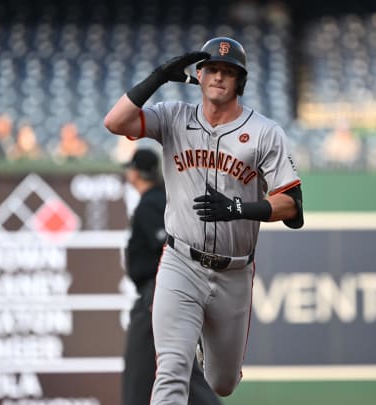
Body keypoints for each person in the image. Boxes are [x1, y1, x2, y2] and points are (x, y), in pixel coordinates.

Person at [104, 36, 304, 404]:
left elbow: (292, 205)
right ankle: (186, 342)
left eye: (229, 71)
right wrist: (158, 77)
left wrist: (239, 209)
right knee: (171, 371)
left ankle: (206, 348)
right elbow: (115, 122)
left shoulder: (264, 132)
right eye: (212, 68)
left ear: (239, 81)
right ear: (199, 74)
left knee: (222, 382)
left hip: (233, 270)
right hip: (181, 262)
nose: (219, 76)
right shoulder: (173, 117)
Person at [121, 148, 220, 405]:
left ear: (136, 173)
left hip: (160, 292)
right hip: (168, 290)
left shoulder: (152, 203)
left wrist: (164, 295)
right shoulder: (163, 199)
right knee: (177, 369)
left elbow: (168, 246)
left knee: (143, 371)